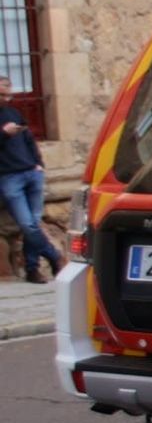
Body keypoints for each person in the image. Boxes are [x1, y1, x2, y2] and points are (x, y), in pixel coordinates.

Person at [0, 76, 65, 284]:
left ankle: (32, 269)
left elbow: (29, 139)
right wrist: (3, 133)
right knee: (28, 225)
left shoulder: (14, 112)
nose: (6, 98)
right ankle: (55, 257)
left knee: (33, 224)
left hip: (32, 173)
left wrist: (39, 164)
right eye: (2, 94)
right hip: (9, 177)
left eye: (8, 94)